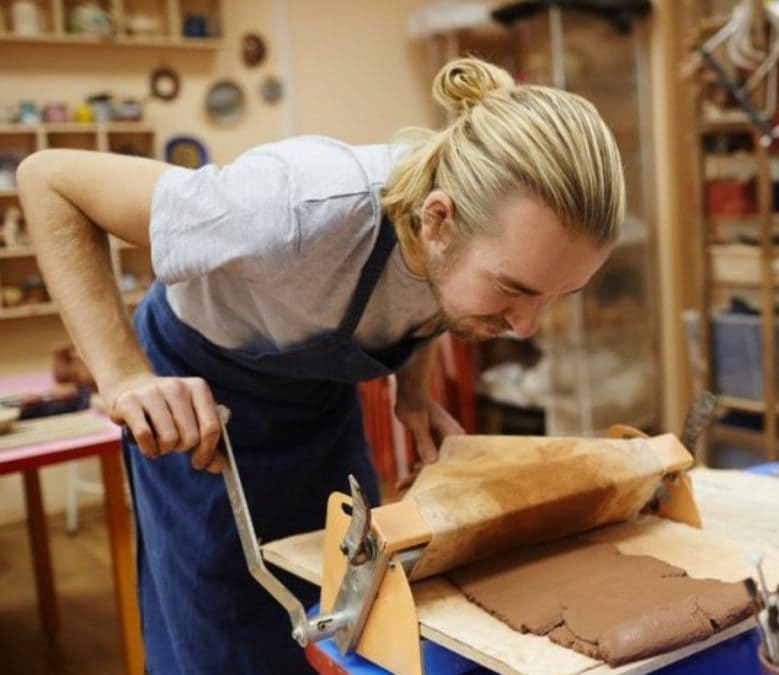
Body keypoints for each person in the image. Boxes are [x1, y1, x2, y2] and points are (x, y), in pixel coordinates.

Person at [17, 57, 625, 672]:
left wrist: (412, 387)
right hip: (202, 404)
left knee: (353, 606)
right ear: (437, 220)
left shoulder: (468, 244)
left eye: (555, 296)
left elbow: (439, 296)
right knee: (225, 629)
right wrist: (124, 373)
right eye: (513, 290)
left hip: (318, 399)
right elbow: (49, 180)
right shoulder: (290, 207)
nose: (527, 327)